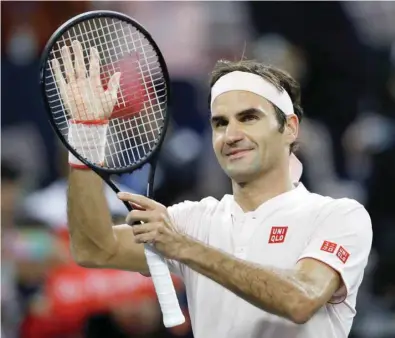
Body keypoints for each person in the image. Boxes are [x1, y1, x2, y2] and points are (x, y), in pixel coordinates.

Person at [57, 41, 372, 338]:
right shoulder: (193, 220)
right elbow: (94, 249)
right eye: (220, 123)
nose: (231, 134)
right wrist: (86, 136)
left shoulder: (340, 216)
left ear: (289, 127)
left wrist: (184, 248)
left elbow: (301, 299)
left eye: (248, 118)